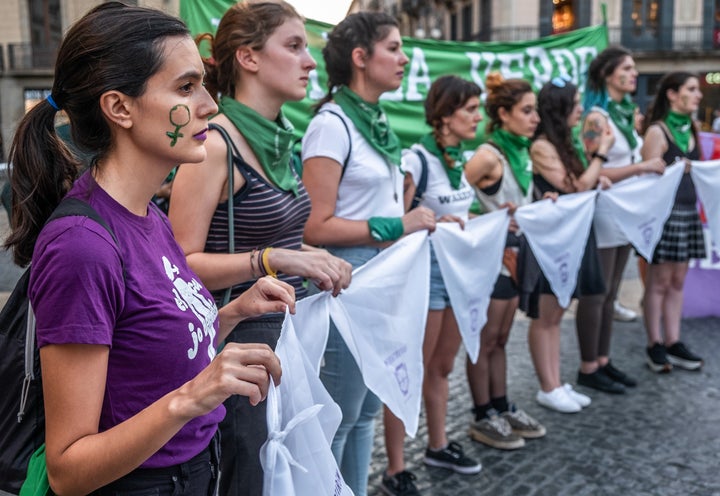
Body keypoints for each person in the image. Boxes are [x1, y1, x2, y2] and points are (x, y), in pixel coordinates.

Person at [4, 3, 294, 495]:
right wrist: (194, 396)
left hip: (196, 473)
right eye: (185, 88)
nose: (210, 105)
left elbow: (144, 355)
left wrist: (229, 318)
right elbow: (68, 469)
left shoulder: (147, 215)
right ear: (119, 108)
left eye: (203, 84)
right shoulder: (83, 247)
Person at [167, 2, 352, 495]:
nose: (309, 61)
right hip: (235, 346)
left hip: (286, 336)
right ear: (248, 58)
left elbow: (278, 236)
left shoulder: (278, 140)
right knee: (249, 479)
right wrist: (274, 258)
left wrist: (313, 255)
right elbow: (177, 266)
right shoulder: (213, 146)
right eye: (293, 46)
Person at [300, 12, 436, 496]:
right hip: (349, 278)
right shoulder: (331, 125)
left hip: (380, 277)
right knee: (341, 413)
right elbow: (315, 225)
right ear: (361, 58)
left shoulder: (374, 122)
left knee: (365, 413)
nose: (403, 58)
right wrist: (399, 224)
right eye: (393, 48)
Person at [401, 75, 483, 477]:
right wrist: (431, 220)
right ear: (446, 115)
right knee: (412, 367)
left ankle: (438, 445)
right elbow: (398, 218)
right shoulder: (417, 158)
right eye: (470, 110)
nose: (478, 118)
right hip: (426, 273)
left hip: (458, 274)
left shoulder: (460, 158)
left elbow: (464, 211)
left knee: (442, 367)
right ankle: (395, 467)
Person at [463, 73, 547, 443]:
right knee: (485, 339)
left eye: (535, 111)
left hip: (513, 260)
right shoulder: (486, 157)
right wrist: (489, 219)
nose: (535, 118)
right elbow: (449, 201)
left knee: (500, 339)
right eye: (526, 111)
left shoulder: (520, 150)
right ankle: (482, 414)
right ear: (503, 113)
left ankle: (501, 405)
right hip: (489, 264)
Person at [577, 46, 666, 391]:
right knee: (597, 292)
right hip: (604, 211)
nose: (634, 74)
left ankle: (603, 360)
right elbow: (594, 168)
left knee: (611, 292)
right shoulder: (597, 118)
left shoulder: (624, 114)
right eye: (626, 68)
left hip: (625, 211)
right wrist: (641, 167)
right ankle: (588, 365)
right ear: (607, 75)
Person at [530, 77, 617, 411]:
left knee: (558, 311)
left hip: (571, 235)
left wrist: (599, 176)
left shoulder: (562, 143)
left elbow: (582, 183)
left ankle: (555, 381)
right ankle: (547, 385)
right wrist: (601, 157)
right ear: (560, 108)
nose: (581, 109)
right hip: (554, 239)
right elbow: (576, 186)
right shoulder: (542, 146)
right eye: (576, 103)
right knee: (547, 314)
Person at [640, 71, 705, 372]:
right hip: (665, 214)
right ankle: (655, 343)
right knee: (659, 281)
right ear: (672, 94)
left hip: (687, 209)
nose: (698, 95)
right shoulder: (658, 131)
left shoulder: (692, 128)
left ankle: (673, 341)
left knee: (678, 280)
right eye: (691, 89)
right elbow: (648, 178)